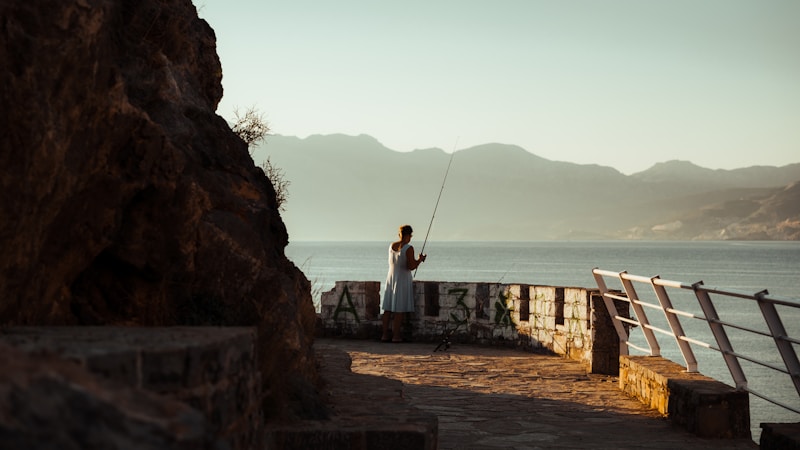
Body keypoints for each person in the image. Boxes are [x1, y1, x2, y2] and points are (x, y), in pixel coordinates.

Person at [381, 224, 426, 342]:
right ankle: (396, 336)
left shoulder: (391, 246)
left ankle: (384, 335)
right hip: (402, 280)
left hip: (390, 278)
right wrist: (420, 260)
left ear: (399, 234)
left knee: (387, 309)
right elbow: (411, 266)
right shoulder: (408, 248)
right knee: (399, 309)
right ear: (409, 235)